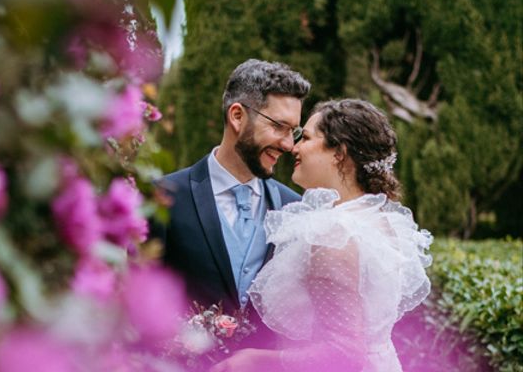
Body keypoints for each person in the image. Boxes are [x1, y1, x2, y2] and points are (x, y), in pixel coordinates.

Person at [210, 98, 433, 372]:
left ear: (339, 152)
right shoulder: (376, 222)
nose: (293, 147)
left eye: (305, 137)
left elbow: (345, 354)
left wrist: (255, 361)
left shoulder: (333, 236)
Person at [153, 59, 311, 347]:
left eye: (294, 131)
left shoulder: (295, 208)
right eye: (279, 126)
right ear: (237, 116)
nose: (289, 145)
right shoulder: (163, 196)